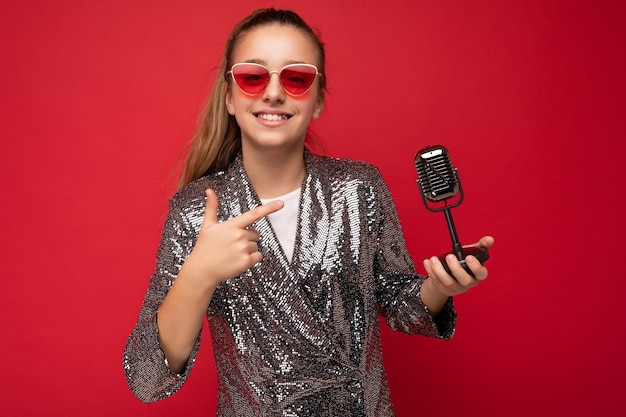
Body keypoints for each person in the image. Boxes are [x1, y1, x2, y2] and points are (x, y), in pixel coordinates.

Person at [123, 7, 494, 416]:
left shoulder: (359, 188)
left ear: (317, 100)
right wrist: (198, 273)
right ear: (229, 97)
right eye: (253, 76)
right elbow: (148, 378)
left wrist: (441, 286)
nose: (274, 93)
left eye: (297, 78)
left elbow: (400, 304)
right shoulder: (196, 212)